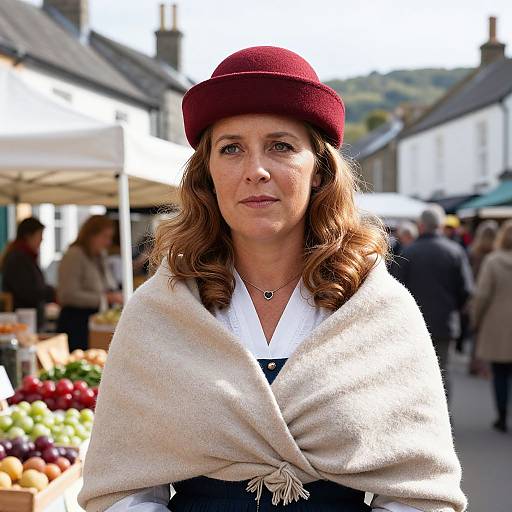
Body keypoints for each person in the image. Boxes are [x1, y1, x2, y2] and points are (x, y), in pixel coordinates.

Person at [79, 47, 466, 512]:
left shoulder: (378, 311)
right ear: (208, 174)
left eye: (280, 146)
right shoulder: (160, 311)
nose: (255, 170)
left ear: (319, 170)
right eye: (231, 148)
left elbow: (418, 492)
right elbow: (126, 488)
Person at [394, 205, 474, 402]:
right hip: (445, 321)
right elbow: (466, 289)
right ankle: (443, 417)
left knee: (415, 371)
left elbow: (396, 288)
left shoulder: (408, 252)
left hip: (412, 323)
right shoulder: (455, 251)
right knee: (443, 372)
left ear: (421, 226)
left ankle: (418, 414)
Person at [57, 215, 122, 351]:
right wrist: (104, 298)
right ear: (91, 235)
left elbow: (107, 284)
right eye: (105, 237)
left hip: (93, 321)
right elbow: (67, 295)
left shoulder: (99, 256)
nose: (108, 242)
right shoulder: (74, 255)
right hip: (76, 323)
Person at [471, 220, 512, 433]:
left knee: (501, 373)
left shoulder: (493, 261)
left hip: (499, 325)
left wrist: (475, 320)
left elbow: (483, 295)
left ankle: (502, 416)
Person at [0, 217, 55, 330]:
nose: (41, 239)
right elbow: (28, 291)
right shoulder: (18, 258)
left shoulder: (25, 257)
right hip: (23, 320)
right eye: (39, 235)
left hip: (29, 319)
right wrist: (52, 293)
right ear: (28, 236)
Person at [466, 220, 498, 375]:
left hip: (478, 294)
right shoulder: (495, 254)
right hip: (494, 298)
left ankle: (474, 364)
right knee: (490, 335)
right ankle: (486, 366)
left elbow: (470, 276)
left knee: (476, 331)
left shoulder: (474, 252)